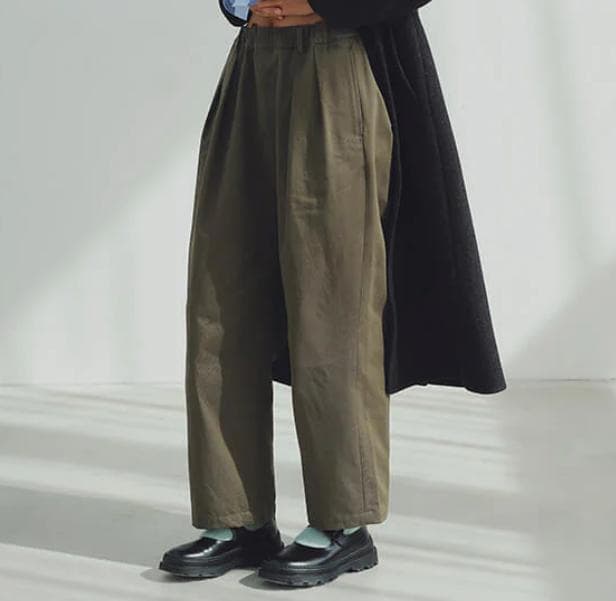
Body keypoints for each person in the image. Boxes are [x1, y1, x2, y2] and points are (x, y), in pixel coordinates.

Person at [159, 0, 506, 588]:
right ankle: (236, 516)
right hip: (253, 60)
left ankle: (344, 523)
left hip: (337, 58)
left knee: (332, 299)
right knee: (220, 300)